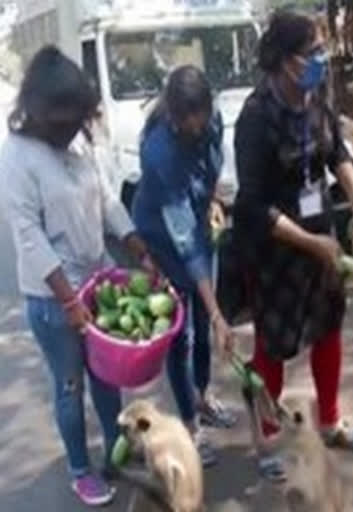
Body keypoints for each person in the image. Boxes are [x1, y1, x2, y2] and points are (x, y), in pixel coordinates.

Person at [0, 46, 157, 507]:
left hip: (99, 280)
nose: (73, 126)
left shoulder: (81, 143)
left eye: (78, 117)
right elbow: (28, 236)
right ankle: (79, 469)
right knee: (70, 383)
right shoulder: (17, 157)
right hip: (54, 298)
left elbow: (108, 200)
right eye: (64, 119)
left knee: (109, 378)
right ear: (41, 112)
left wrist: (136, 247)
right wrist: (69, 301)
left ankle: (115, 451)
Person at [233, 9, 353, 480]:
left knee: (329, 327)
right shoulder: (255, 118)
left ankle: (330, 419)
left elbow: (335, 150)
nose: (321, 59)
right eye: (313, 52)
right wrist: (312, 243)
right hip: (275, 250)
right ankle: (268, 438)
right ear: (285, 60)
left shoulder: (315, 99)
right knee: (273, 348)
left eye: (321, 50)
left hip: (320, 240)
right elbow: (253, 207)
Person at [131, 65, 236, 467]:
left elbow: (213, 169)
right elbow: (183, 243)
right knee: (184, 336)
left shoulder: (213, 120)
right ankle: (191, 423)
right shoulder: (158, 150)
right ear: (174, 116)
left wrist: (211, 202)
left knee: (207, 331)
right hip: (164, 238)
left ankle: (203, 395)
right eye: (188, 122)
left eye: (202, 119)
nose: (197, 127)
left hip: (197, 223)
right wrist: (216, 312)